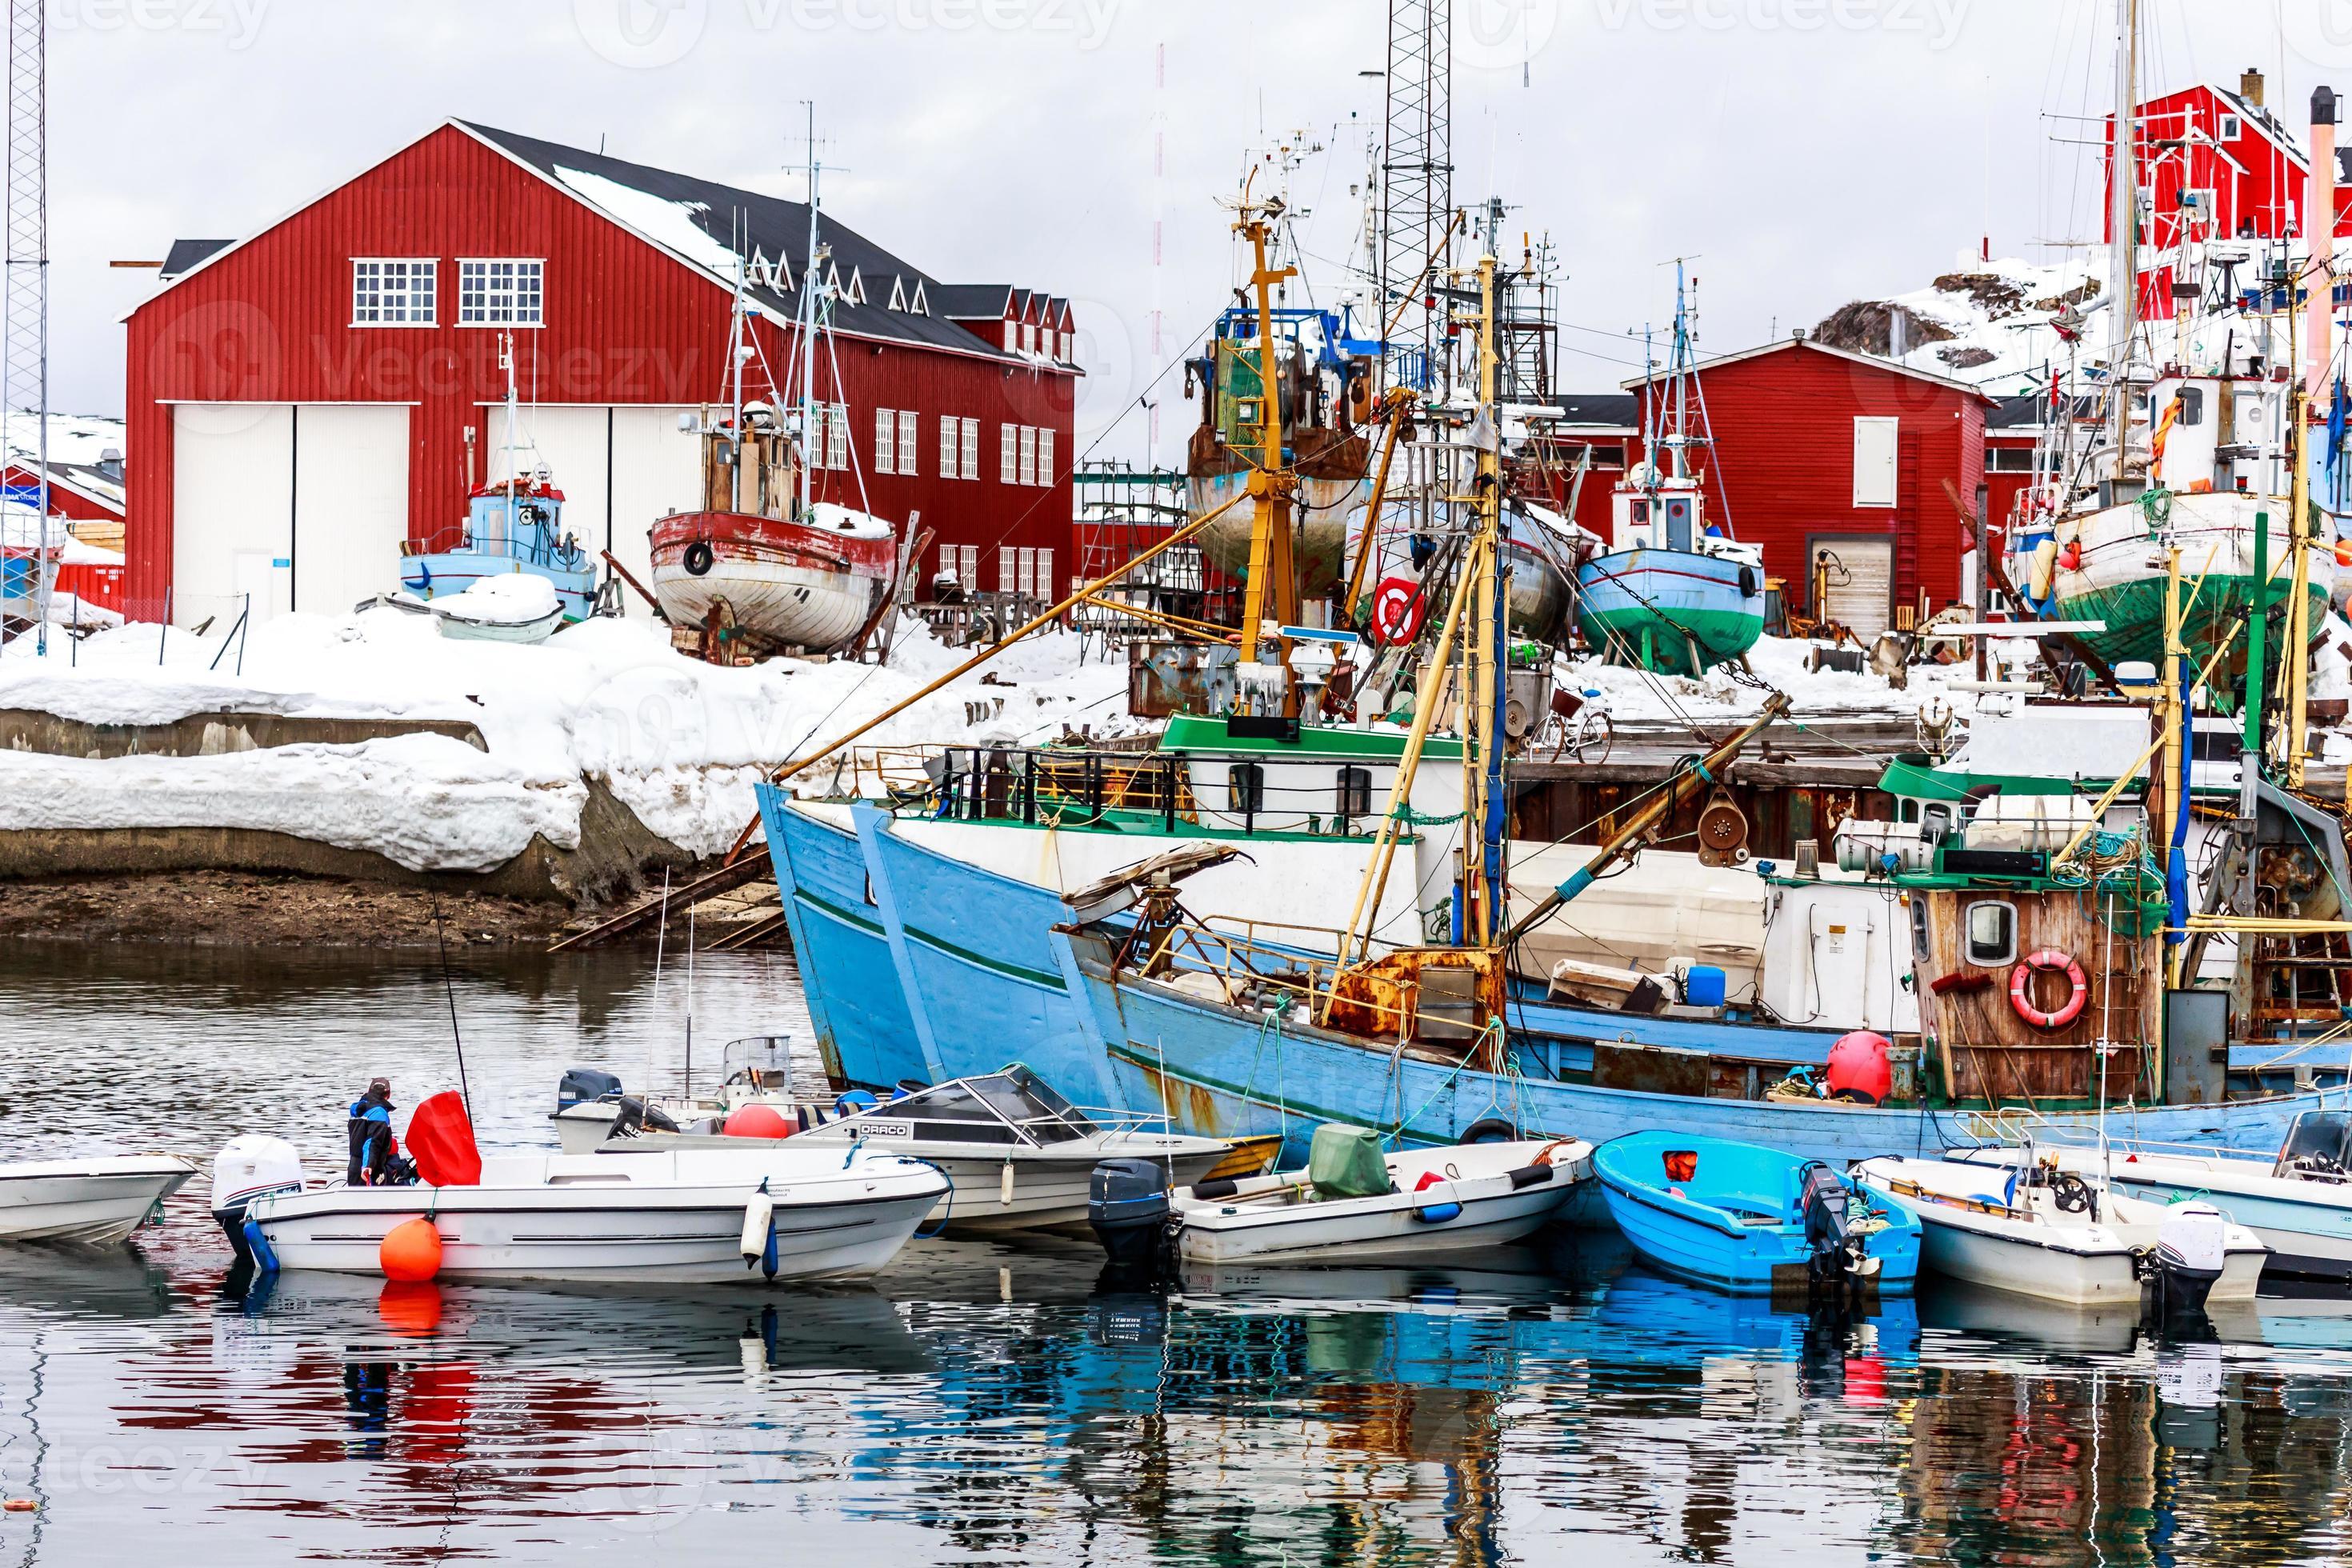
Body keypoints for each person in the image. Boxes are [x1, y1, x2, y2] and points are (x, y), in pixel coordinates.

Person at [347, 1078, 396, 1186]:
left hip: (353, 1166)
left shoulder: (357, 1112)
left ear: (369, 1091)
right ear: (388, 1095)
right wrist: (367, 1166)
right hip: (370, 1170)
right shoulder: (380, 1113)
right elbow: (372, 1141)